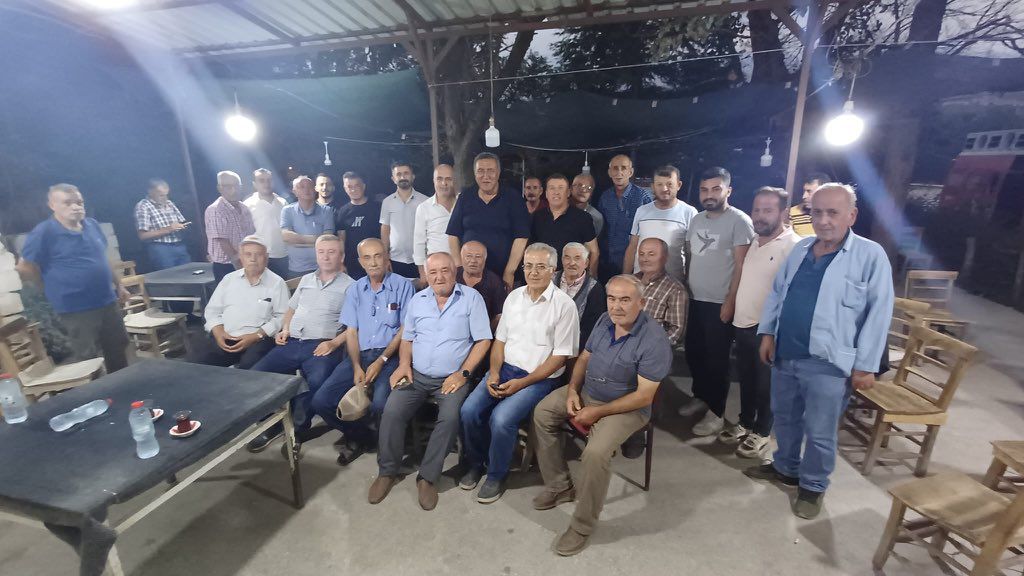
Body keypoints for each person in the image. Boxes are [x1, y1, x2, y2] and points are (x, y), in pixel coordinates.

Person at [745, 183, 893, 520]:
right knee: (784, 417)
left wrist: (866, 365)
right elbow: (778, 293)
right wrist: (767, 333)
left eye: (832, 213)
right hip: (786, 352)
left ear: (851, 215)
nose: (823, 220)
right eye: (817, 212)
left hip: (830, 362)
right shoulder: (801, 249)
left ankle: (813, 486)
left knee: (820, 429)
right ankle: (786, 468)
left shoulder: (870, 256)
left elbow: (879, 314)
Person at [532, 275, 672, 556]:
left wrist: (596, 412)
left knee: (595, 453)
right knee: (542, 413)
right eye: (612, 298)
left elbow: (644, 396)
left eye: (625, 300)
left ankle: (582, 526)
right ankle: (560, 486)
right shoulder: (604, 320)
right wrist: (573, 390)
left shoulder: (654, 340)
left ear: (642, 303)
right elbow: (584, 358)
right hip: (589, 392)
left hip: (626, 407)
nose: (616, 306)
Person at [369, 252, 492, 511]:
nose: (439, 277)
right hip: (416, 375)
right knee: (391, 411)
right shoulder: (418, 300)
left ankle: (427, 477)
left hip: (452, 378)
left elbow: (483, 341)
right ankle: (387, 471)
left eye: (445, 270)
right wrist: (404, 364)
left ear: (454, 272)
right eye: (433, 272)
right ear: (426, 275)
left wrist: (463, 373)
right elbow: (407, 338)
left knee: (449, 418)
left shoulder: (471, 298)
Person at [460, 243, 579, 503]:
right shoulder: (514, 297)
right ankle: (475, 463)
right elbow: (500, 341)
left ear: (553, 270)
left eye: (541, 267)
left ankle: (496, 475)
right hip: (504, 369)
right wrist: (493, 373)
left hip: (539, 379)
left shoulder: (564, 305)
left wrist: (522, 383)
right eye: (529, 266)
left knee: (501, 419)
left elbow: (560, 358)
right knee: (469, 411)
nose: (533, 272)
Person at [308, 238, 416, 464]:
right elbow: (351, 331)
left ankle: (387, 446)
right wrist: (357, 366)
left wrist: (382, 359)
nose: (373, 262)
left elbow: (405, 329)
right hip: (360, 355)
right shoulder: (355, 289)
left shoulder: (403, 286)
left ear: (386, 258)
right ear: (360, 262)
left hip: (390, 356)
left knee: (380, 403)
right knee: (321, 401)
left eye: (378, 256)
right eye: (367, 257)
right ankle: (361, 437)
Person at [246, 234, 354, 452]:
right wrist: (285, 329)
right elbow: (291, 309)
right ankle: (274, 423)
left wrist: (334, 343)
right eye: (321, 252)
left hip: (321, 346)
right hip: (292, 342)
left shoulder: (351, 286)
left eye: (332, 252)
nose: (326, 257)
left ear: (341, 256)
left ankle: (297, 429)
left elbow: (355, 326)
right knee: (257, 375)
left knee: (315, 381)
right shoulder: (306, 280)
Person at [17, 183, 130, 372]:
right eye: (67, 203)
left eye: (79, 202)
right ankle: (96, 390)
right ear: (52, 205)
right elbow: (24, 267)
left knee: (118, 347)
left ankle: (123, 385)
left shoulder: (92, 225)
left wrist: (119, 285)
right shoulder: (45, 232)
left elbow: (103, 258)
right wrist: (45, 285)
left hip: (107, 301)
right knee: (87, 358)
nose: (75, 207)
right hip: (75, 307)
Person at [723, 187, 801, 458]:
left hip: (768, 329)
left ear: (783, 213)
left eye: (768, 210)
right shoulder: (755, 241)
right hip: (743, 323)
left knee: (766, 384)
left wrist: (777, 331)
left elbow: (793, 293)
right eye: (756, 209)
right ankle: (745, 422)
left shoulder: (793, 246)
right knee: (746, 379)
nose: (760, 215)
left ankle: (762, 431)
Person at [679, 167, 754, 437]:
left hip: (720, 302)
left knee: (717, 359)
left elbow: (742, 265)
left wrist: (730, 301)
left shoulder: (739, 221)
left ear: (728, 191)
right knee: (694, 353)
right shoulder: (697, 220)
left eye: (715, 189)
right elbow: (690, 255)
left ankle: (716, 412)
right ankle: (701, 396)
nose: (709, 194)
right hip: (695, 299)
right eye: (704, 189)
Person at [187, 235, 288, 369]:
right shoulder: (229, 279)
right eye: (248, 254)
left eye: (258, 255)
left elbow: (282, 316)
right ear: (241, 257)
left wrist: (256, 336)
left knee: (250, 366)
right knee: (197, 361)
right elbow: (212, 311)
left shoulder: (277, 283)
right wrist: (218, 332)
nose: (253, 259)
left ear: (266, 257)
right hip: (226, 336)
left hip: (258, 339)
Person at [446, 152, 530, 291]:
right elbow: (453, 234)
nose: (486, 176)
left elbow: (521, 237)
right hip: (470, 277)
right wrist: (459, 268)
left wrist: (509, 271)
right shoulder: (465, 197)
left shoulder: (513, 198)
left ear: (498, 172)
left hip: (503, 274)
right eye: (480, 171)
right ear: (475, 173)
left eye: (490, 170)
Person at [622, 165, 697, 281]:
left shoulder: (689, 212)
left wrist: (688, 282)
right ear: (653, 187)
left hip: (673, 283)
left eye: (669, 184)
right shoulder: (642, 211)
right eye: (659, 184)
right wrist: (625, 278)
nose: (664, 188)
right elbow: (632, 247)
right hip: (641, 282)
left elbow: (691, 253)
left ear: (679, 185)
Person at [597, 155, 651, 282]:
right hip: (607, 260)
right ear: (609, 172)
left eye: (624, 168)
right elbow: (601, 229)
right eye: (615, 168)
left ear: (630, 172)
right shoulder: (605, 197)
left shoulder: (642, 197)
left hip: (632, 262)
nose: (619, 172)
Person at [530, 173, 598, 274]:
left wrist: (591, 278)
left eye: (560, 188)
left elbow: (594, 251)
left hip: (571, 276)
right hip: (543, 275)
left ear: (568, 192)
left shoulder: (583, 218)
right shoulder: (536, 217)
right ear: (546, 193)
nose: (556, 192)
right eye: (552, 188)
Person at [205, 170, 256, 283]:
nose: (233, 190)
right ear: (219, 188)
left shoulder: (244, 208)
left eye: (236, 186)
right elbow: (223, 243)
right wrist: (241, 268)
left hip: (248, 262)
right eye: (228, 187)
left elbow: (251, 236)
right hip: (227, 266)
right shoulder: (216, 210)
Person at [635, 238, 687, 346]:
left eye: (651, 254)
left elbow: (676, 334)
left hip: (650, 350)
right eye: (641, 254)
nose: (645, 259)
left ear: (665, 257)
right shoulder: (629, 281)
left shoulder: (675, 289)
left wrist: (647, 347)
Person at [281, 175, 336, 279]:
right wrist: (316, 239)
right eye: (301, 186)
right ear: (294, 191)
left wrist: (298, 240)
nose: (306, 189)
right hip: (296, 270)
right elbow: (286, 237)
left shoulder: (327, 211)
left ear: (314, 189)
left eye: (309, 186)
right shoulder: (287, 211)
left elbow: (327, 240)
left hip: (322, 268)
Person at [380, 161, 427, 279]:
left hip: (421, 260)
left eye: (406, 173)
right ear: (393, 179)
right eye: (398, 174)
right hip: (395, 260)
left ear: (413, 176)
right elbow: (385, 230)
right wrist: (385, 258)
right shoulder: (387, 202)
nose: (402, 177)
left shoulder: (425, 201)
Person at [554, 242, 606, 347]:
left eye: (577, 258)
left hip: (575, 345)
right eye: (567, 258)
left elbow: (592, 328)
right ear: (562, 260)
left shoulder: (595, 289)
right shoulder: (550, 279)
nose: (572, 263)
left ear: (586, 263)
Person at [413, 164, 457, 287]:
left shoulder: (462, 203)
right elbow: (419, 243)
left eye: (448, 179)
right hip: (436, 270)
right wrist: (423, 274)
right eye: (439, 179)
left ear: (454, 180)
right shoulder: (424, 208)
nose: (444, 183)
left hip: (460, 267)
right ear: (433, 181)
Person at [134, 179, 190, 271]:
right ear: (150, 192)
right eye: (161, 195)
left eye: (166, 194)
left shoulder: (169, 203)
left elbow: (181, 222)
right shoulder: (143, 206)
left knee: (189, 273)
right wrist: (168, 229)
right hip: (161, 248)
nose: (165, 198)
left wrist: (183, 226)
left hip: (179, 245)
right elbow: (142, 236)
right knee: (170, 276)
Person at [243, 168, 290, 279]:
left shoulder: (283, 202)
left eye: (269, 180)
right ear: (255, 184)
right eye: (261, 180)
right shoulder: (247, 204)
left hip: (283, 255)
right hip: (260, 257)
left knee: (284, 286)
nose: (266, 183)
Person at [335, 171, 382, 280]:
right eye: (349, 186)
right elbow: (341, 240)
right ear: (345, 188)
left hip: (375, 262)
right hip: (352, 264)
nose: (353, 190)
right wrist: (341, 262)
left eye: (356, 185)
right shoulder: (343, 211)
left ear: (363, 186)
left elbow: (385, 234)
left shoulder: (377, 208)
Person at [456, 241, 505, 332]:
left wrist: (485, 333)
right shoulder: (452, 276)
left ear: (485, 259)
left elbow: (499, 315)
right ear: (461, 258)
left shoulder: (494, 281)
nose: (473, 261)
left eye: (478, 257)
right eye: (468, 256)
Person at [790, 172, 829, 237]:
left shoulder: (836, 215)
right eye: (804, 191)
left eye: (809, 191)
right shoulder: (792, 213)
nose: (804, 196)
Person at [571, 173, 604, 238]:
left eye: (589, 188)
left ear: (591, 193)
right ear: (571, 188)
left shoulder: (596, 217)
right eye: (580, 185)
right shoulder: (559, 209)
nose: (584, 190)